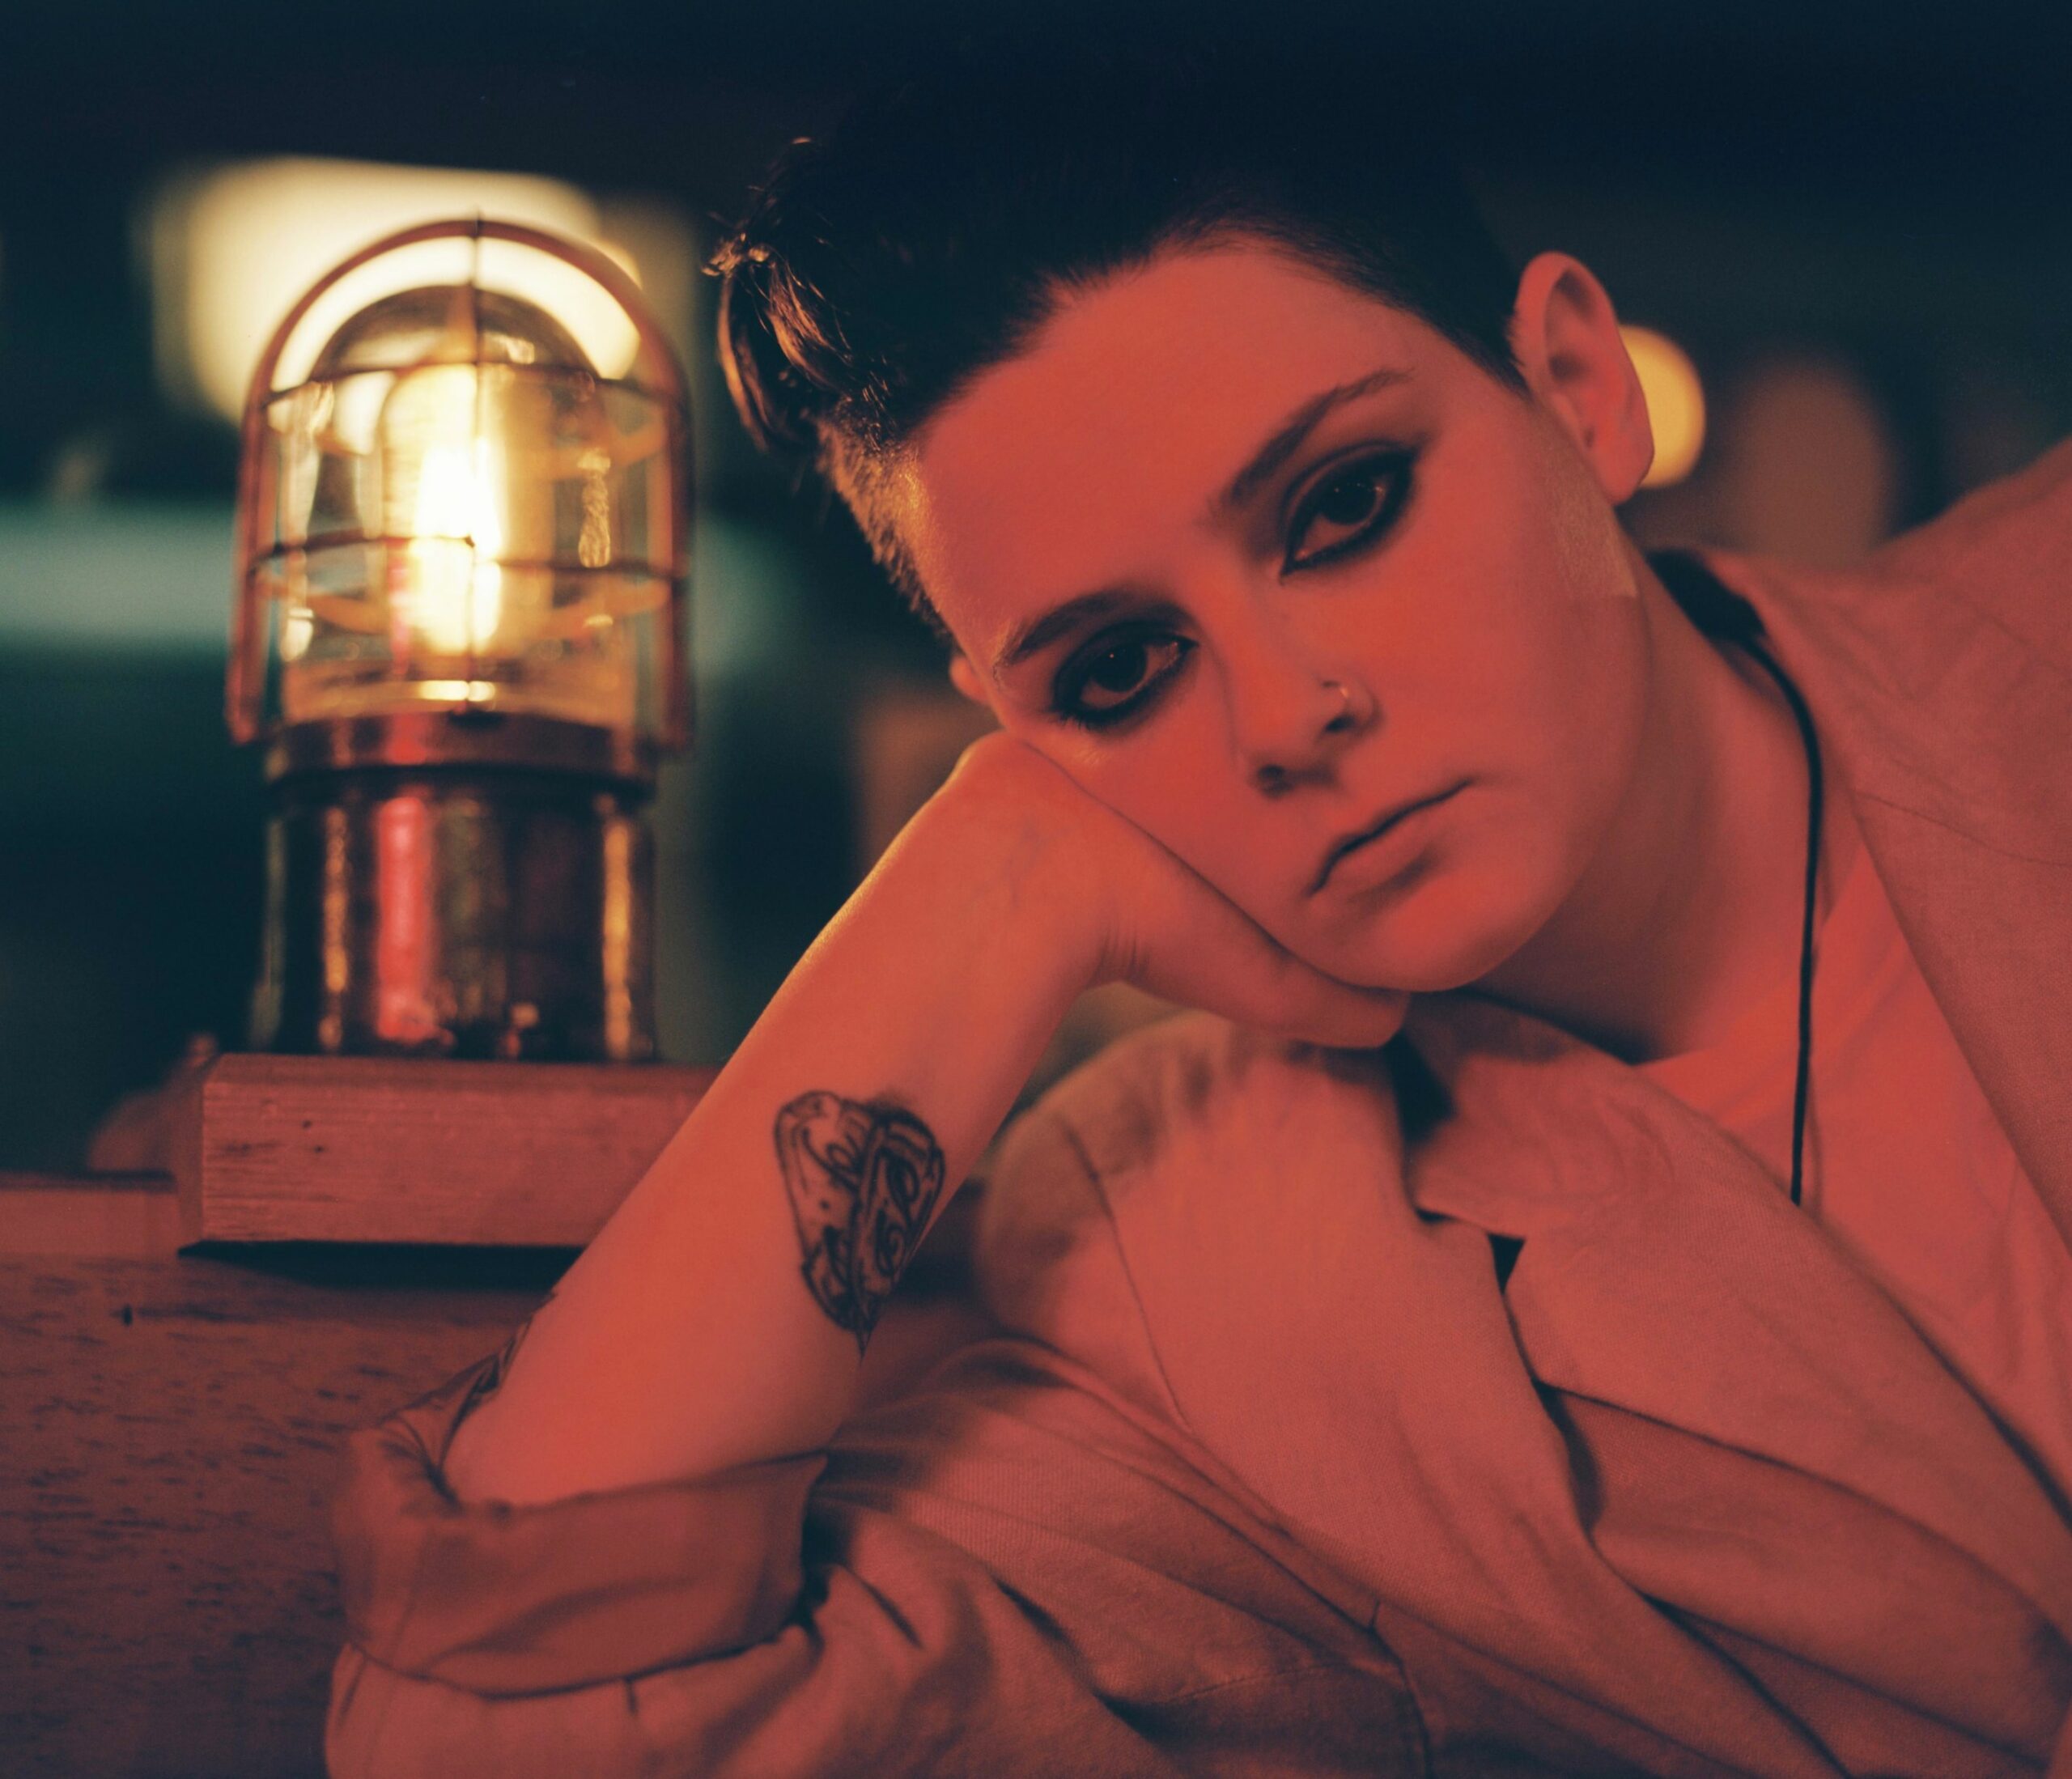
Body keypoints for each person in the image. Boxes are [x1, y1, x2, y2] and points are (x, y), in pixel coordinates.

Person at [323, 45, 2072, 1777]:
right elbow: (489, 1741)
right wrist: (986, 881)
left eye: (1343, 506)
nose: (1284, 715)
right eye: (1117, 668)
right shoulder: (1207, 1270)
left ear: (1575, 386)